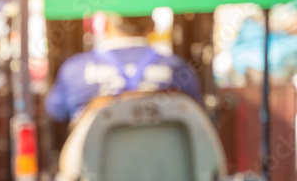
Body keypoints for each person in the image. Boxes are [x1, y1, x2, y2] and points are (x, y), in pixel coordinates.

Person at [45, 13, 203, 124]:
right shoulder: (178, 68)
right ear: (152, 26)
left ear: (105, 24)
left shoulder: (74, 69)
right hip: (165, 168)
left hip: (93, 169)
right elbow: (198, 113)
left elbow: (56, 112)